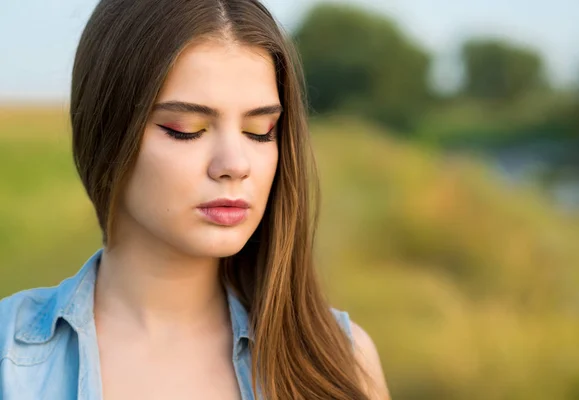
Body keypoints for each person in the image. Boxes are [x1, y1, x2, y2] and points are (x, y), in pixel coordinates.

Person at [0, 0, 390, 399]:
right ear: (106, 133)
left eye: (259, 131)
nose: (235, 165)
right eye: (186, 129)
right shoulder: (9, 359)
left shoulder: (342, 361)